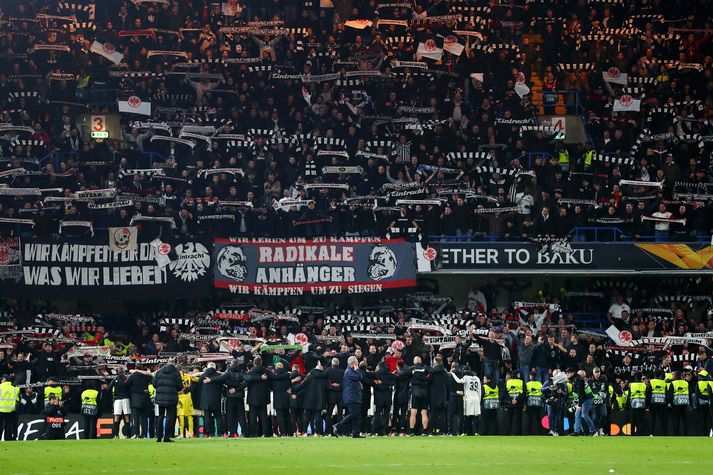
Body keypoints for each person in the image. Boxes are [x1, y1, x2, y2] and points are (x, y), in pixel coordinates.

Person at [333, 356, 366, 438]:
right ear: (353, 363)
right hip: (351, 396)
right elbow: (359, 376)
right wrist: (357, 369)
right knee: (354, 414)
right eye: (356, 362)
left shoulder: (351, 371)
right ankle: (338, 425)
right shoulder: (349, 371)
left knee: (357, 415)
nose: (358, 363)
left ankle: (356, 433)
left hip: (354, 395)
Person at [152, 359, 183, 443]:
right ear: (174, 364)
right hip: (171, 398)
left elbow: (154, 384)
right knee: (169, 417)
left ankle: (158, 437)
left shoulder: (159, 372)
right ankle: (166, 437)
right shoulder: (176, 373)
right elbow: (180, 386)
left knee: (160, 417)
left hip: (160, 398)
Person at [451, 363, 482, 436]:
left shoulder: (466, 377)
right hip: (476, 398)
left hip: (468, 398)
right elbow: (479, 390)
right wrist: (479, 401)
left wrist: (453, 374)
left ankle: (465, 432)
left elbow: (459, 381)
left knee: (467, 416)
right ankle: (476, 432)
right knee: (476, 416)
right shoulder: (477, 378)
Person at [244, 356, 272, 437]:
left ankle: (253, 433)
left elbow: (246, 381)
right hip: (264, 397)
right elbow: (272, 379)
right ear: (261, 362)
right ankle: (265, 433)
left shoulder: (250, 372)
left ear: (254, 363)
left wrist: (237, 389)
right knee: (264, 416)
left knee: (252, 417)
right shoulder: (266, 371)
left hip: (252, 398)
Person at [199, 362, 225, 437]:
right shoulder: (219, 375)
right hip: (216, 399)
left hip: (205, 400)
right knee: (218, 417)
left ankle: (210, 433)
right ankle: (220, 433)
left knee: (207, 418)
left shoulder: (203, 375)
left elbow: (199, 383)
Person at [568, 368, 596, 436]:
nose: (567, 374)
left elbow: (581, 394)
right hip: (584, 398)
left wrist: (579, 405)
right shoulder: (575, 379)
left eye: (568, 373)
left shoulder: (579, 380)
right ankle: (576, 431)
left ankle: (593, 430)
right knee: (577, 414)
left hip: (588, 398)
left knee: (584, 415)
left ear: (572, 373)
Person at [408, 356, 431, 435]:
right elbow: (430, 376)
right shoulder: (426, 368)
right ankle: (424, 431)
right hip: (425, 392)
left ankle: (411, 431)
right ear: (420, 361)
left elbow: (405, 373)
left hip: (415, 392)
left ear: (414, 362)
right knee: (424, 412)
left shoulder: (412, 368)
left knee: (413, 412)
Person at [542, 369, 567, 436]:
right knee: (550, 416)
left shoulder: (563, 384)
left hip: (559, 401)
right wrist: (549, 388)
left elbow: (565, 394)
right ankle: (551, 430)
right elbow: (542, 389)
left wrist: (560, 392)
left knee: (558, 417)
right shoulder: (548, 382)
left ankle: (556, 431)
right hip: (550, 401)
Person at [109, 369, 132, 438]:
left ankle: (116, 435)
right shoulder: (127, 379)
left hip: (117, 399)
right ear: (124, 372)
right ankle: (128, 435)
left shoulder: (115, 379)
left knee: (116, 417)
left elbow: (109, 388)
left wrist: (114, 395)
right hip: (126, 399)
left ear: (117, 372)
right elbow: (130, 388)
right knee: (127, 417)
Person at [627, 372, 650, 436]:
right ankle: (640, 433)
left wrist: (628, 405)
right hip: (642, 404)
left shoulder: (631, 385)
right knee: (641, 420)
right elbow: (647, 396)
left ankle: (632, 433)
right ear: (641, 378)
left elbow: (629, 396)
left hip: (633, 404)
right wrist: (647, 406)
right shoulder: (644, 385)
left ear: (635, 377)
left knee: (633, 420)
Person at [649, 369, 668, 436]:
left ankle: (652, 433)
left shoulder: (651, 382)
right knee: (662, 419)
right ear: (660, 376)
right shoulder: (663, 383)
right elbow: (666, 393)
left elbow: (649, 392)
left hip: (653, 403)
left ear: (654, 375)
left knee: (653, 419)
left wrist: (648, 404)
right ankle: (664, 433)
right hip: (662, 402)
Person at [0, 374, 18, 441]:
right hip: (10, 410)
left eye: (2, 379)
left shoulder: (0, 387)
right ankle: (8, 439)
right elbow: (16, 399)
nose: (1, 380)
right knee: (8, 425)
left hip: (0, 409)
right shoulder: (13, 388)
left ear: (4, 379)